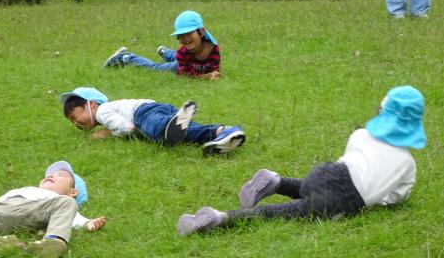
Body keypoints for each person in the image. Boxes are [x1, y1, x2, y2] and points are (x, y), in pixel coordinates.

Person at [176, 85, 426, 235]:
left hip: (327, 172)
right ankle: (222, 218)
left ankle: (276, 181)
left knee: (310, 191)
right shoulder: (407, 165)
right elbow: (397, 196)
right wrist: (381, 199)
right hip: (346, 197)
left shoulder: (361, 134)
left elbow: (351, 160)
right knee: (293, 211)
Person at [0, 161, 106, 258]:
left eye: (60, 175)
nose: (51, 176)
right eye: (49, 175)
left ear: (73, 191)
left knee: (66, 203)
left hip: (33, 212)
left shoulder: (59, 200)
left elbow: (70, 214)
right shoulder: (23, 189)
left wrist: (88, 223)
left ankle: (53, 243)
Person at [60, 87, 245, 155]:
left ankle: (171, 123)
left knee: (156, 132)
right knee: (187, 134)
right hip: (160, 107)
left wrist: (107, 133)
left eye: (74, 116)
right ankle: (224, 132)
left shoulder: (102, 111)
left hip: (142, 113)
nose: (75, 123)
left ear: (91, 104)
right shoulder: (108, 109)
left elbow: (128, 127)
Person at [103, 10, 221, 80]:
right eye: (181, 35)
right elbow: (186, 75)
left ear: (202, 32)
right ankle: (126, 57)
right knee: (156, 68)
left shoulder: (213, 48)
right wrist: (205, 77)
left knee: (183, 56)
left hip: (190, 61)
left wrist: (214, 73)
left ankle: (164, 52)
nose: (185, 38)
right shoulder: (183, 52)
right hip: (181, 66)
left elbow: (214, 67)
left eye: (189, 33)